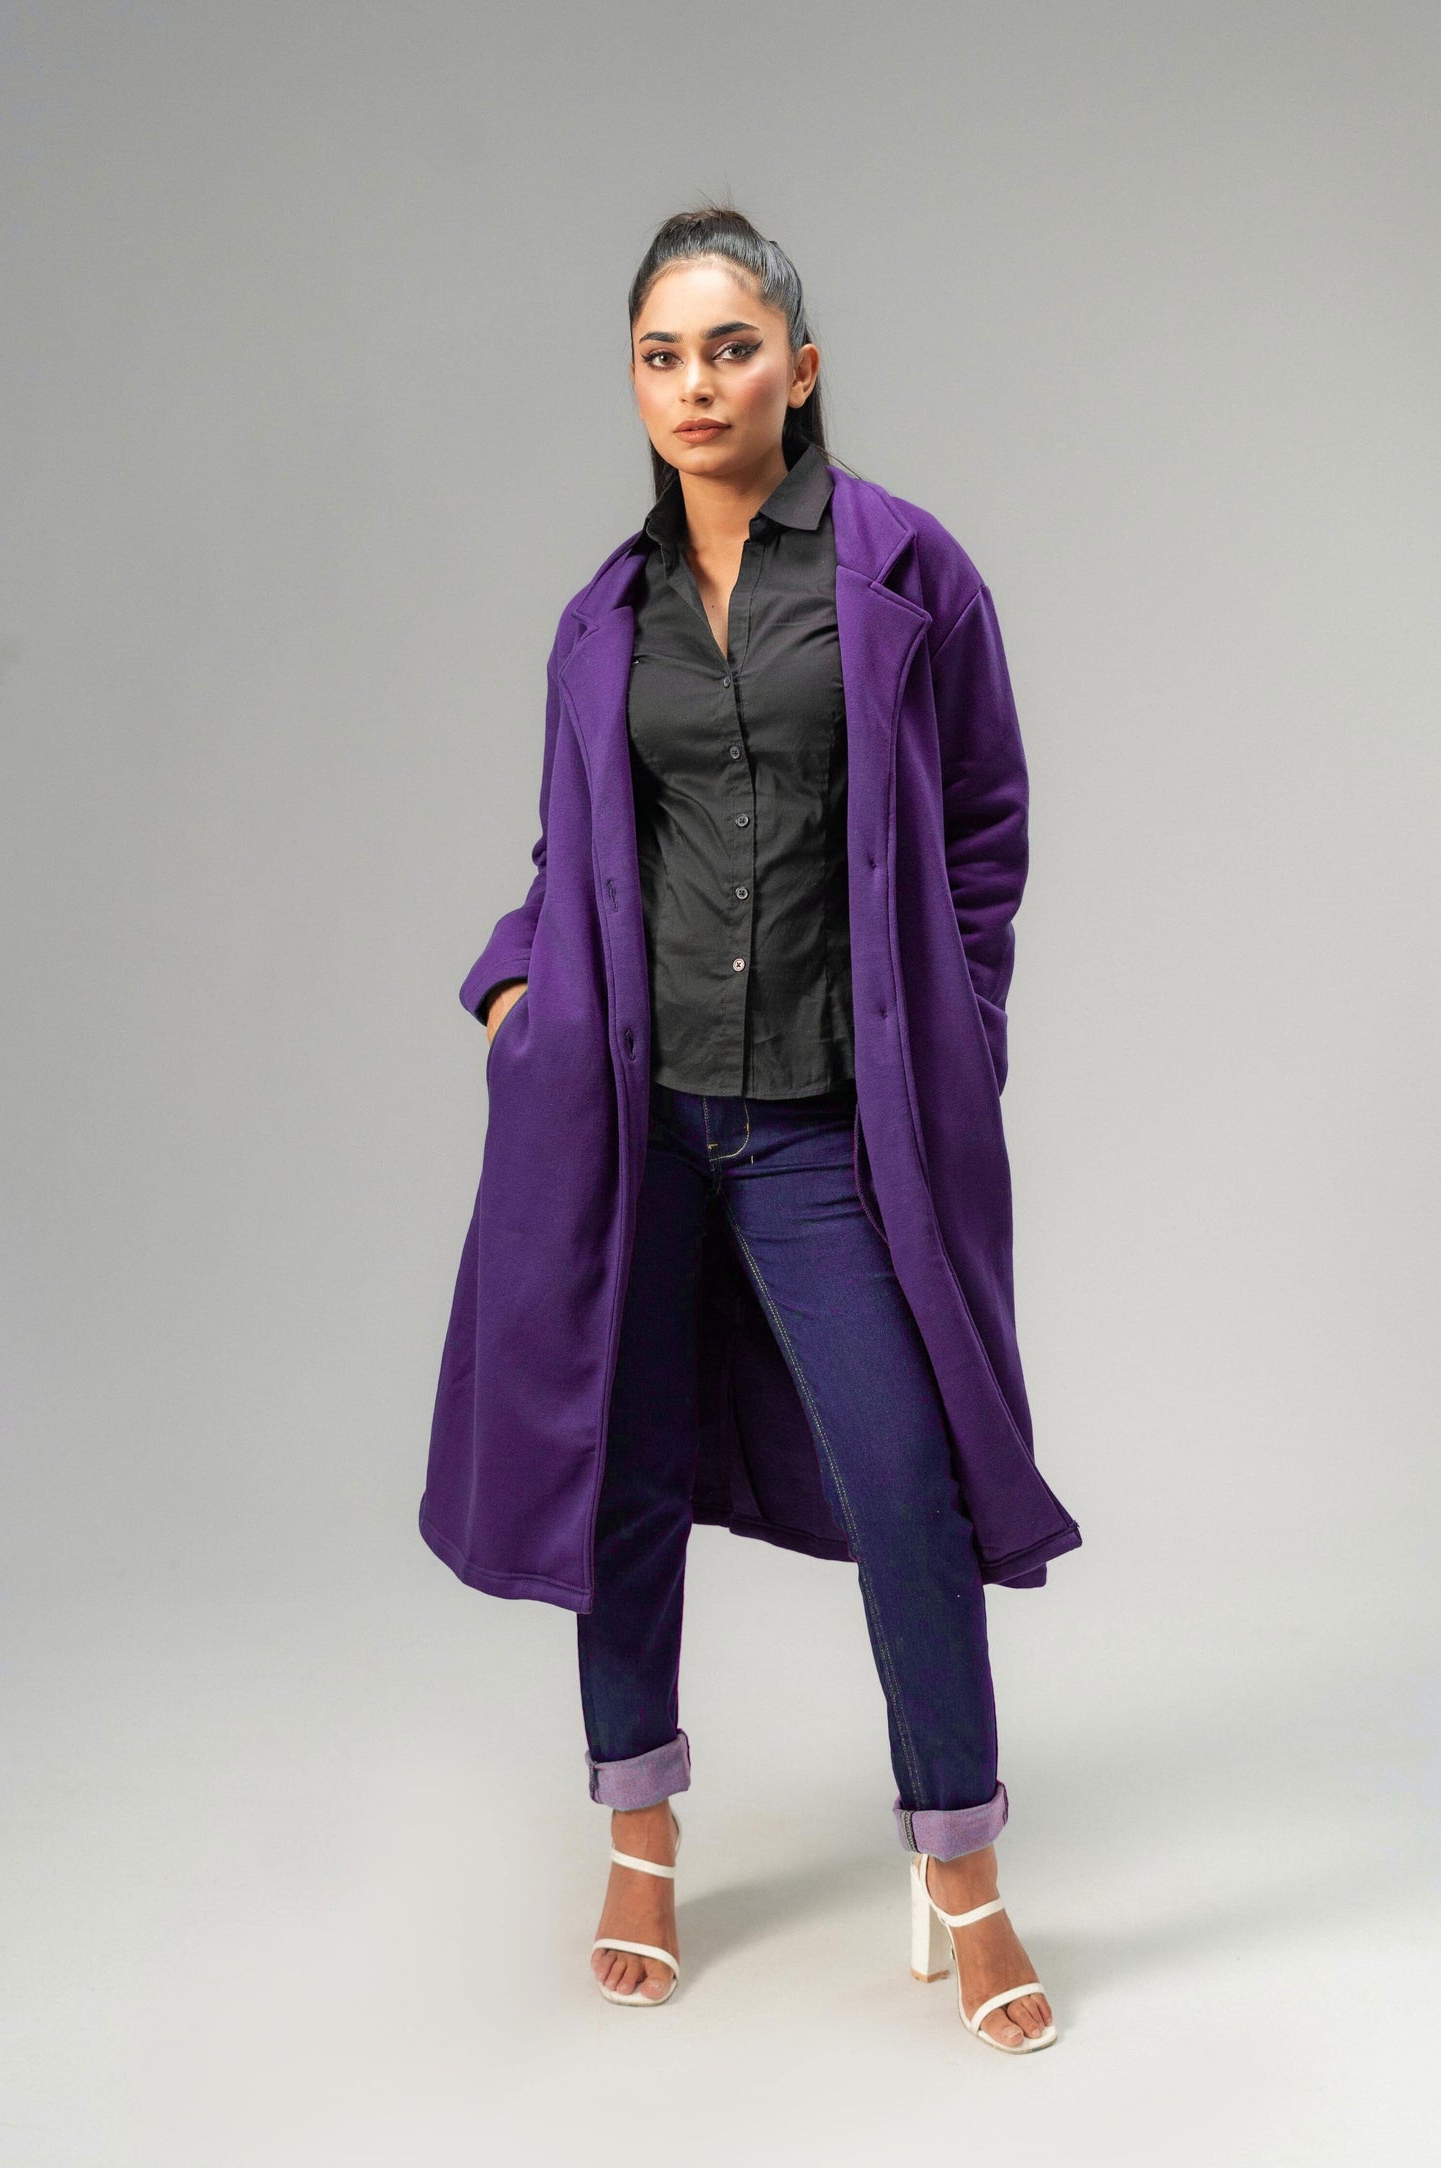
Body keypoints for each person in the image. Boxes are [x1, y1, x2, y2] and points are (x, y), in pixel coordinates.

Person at [452, 203, 1075, 2052]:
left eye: (730, 348)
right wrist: (512, 995)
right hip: (630, 1123)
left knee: (905, 1485)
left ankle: (959, 1869)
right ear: (634, 386)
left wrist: (959, 1022)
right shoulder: (604, 620)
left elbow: (982, 824)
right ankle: (638, 1838)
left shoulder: (903, 573)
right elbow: (570, 853)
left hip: (821, 1131)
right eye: (662, 355)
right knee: (620, 1479)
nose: (696, 384)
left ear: (798, 369)